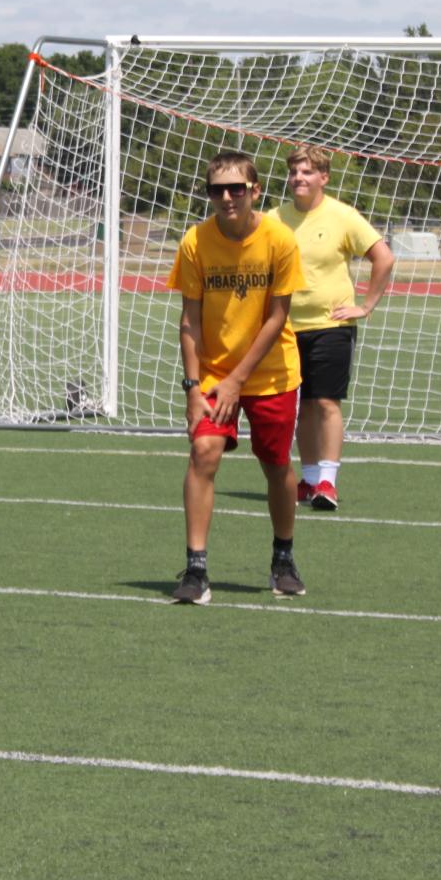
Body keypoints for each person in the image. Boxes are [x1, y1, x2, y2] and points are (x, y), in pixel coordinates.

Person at [170, 150, 308, 602]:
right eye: (216, 189)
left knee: (275, 466)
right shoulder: (195, 241)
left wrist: (238, 379)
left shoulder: (279, 239)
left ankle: (283, 557)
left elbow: (277, 317)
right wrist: (194, 389)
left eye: (236, 188)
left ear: (255, 191)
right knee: (203, 452)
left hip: (271, 373)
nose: (226, 197)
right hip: (213, 372)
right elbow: (189, 320)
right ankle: (196, 568)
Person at [274, 146, 395, 511]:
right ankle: (308, 481)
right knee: (299, 408)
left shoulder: (342, 215)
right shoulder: (273, 218)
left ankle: (328, 481)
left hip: (331, 327)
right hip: (285, 328)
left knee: (325, 402)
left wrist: (366, 304)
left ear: (323, 177)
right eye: (295, 172)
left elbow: (383, 257)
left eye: (308, 172)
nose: (299, 178)